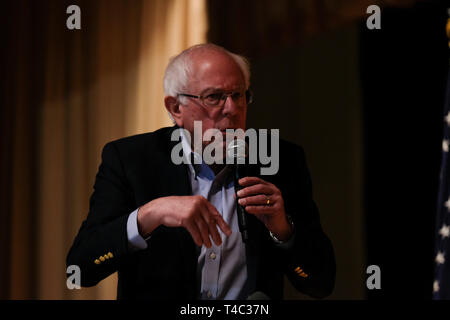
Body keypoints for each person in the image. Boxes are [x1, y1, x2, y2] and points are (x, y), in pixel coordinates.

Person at [66, 43, 336, 300]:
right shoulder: (131, 160)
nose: (231, 109)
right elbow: (80, 269)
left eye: (238, 95)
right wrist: (149, 215)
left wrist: (283, 231)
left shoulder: (280, 161)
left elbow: (320, 284)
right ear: (176, 108)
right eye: (214, 97)